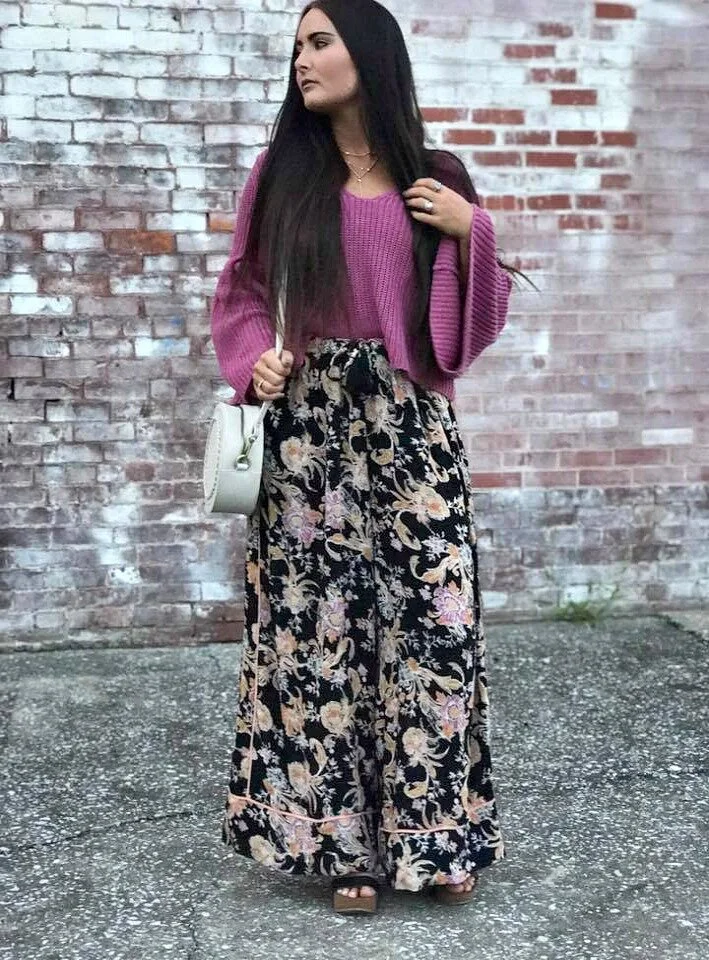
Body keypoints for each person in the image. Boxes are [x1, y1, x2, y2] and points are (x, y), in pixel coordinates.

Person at [211, 0, 518, 915]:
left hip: (412, 427)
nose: (301, 61)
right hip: (308, 433)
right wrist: (256, 359)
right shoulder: (281, 175)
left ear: (368, 52)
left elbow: (472, 329)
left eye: (319, 42)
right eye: (296, 47)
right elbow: (242, 288)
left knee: (434, 626)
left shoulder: (436, 176)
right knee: (318, 632)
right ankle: (339, 846)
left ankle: (437, 837)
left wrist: (471, 229)